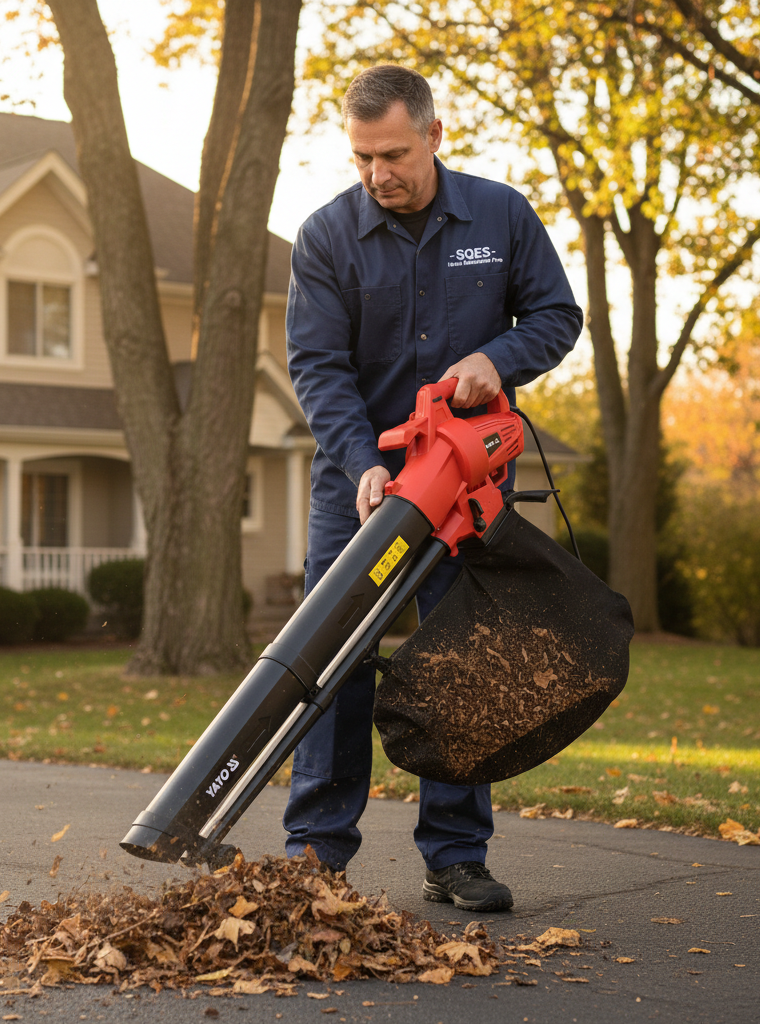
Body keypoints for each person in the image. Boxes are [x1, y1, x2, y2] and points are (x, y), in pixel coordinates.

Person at [283, 64, 583, 912]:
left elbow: (557, 316)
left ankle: (457, 855)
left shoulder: (500, 214)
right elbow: (318, 366)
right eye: (362, 157)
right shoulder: (326, 236)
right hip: (363, 483)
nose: (379, 174)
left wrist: (501, 359)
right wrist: (361, 463)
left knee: (460, 656)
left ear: (435, 135)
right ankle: (315, 851)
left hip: (467, 483)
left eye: (394, 154)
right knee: (333, 660)